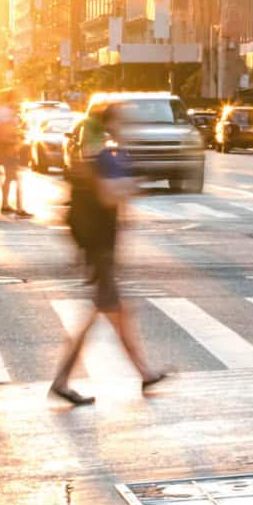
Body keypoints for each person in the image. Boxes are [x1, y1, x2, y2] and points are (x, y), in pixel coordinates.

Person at [50, 103, 165, 406]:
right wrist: (131, 185)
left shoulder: (109, 153)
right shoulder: (102, 155)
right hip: (99, 249)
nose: (127, 127)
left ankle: (145, 373)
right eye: (123, 122)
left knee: (119, 315)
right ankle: (62, 381)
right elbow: (107, 195)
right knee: (101, 317)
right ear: (111, 124)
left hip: (102, 248)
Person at [0, 91, 30, 218]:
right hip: (9, 148)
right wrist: (15, 138)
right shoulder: (7, 112)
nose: (17, 101)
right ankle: (19, 208)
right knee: (17, 179)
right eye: (16, 98)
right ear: (11, 99)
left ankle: (5, 204)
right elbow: (6, 129)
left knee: (9, 178)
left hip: (7, 148)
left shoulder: (2, 111)